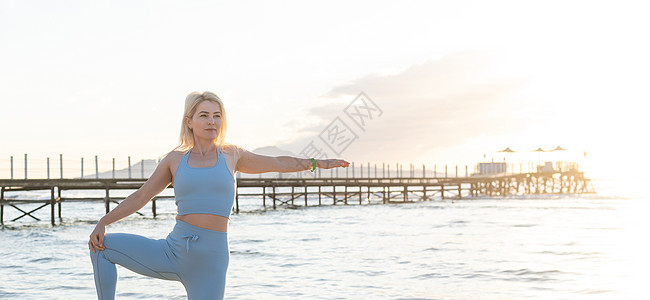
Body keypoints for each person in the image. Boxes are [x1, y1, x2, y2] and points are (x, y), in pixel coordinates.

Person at [88, 91, 350, 300]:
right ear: (189, 122)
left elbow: (279, 162)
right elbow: (141, 196)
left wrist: (315, 163)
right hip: (173, 250)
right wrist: (103, 222)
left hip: (211, 262)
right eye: (204, 115)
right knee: (102, 247)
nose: (211, 121)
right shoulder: (174, 160)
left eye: (217, 115)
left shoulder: (232, 155)